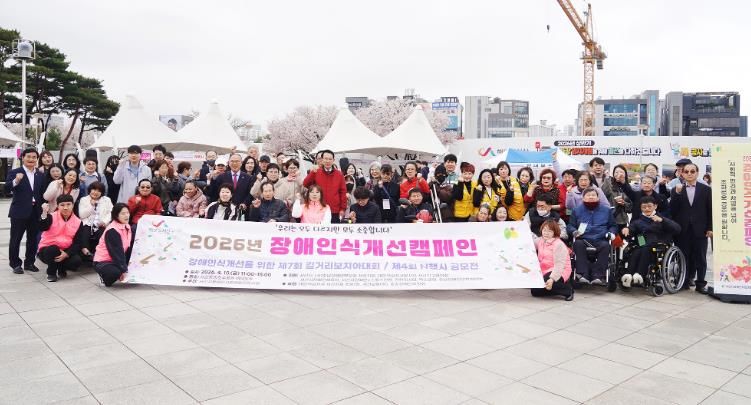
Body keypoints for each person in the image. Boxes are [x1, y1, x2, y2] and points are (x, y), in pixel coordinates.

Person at [621, 196, 681, 288]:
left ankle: (640, 274)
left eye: (649, 206)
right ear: (640, 208)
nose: (647, 209)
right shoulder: (638, 221)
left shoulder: (662, 218)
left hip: (659, 244)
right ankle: (629, 275)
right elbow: (631, 230)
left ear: (655, 206)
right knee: (636, 250)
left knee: (645, 249)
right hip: (642, 243)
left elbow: (677, 229)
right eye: (644, 207)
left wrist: (662, 220)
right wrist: (626, 229)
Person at [670, 163, 712, 294]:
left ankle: (700, 284)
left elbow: (710, 210)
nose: (689, 174)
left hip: (700, 229)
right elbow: (672, 210)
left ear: (697, 173)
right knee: (683, 257)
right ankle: (684, 281)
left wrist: (710, 228)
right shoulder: (676, 189)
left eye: (692, 171)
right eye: (686, 171)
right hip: (682, 230)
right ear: (682, 174)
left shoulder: (706, 190)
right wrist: (677, 194)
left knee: (701, 258)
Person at [6, 147, 46, 274]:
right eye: (28, 156)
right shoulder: (15, 172)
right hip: (19, 211)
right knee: (16, 239)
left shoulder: (40, 174)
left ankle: (29, 263)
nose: (31, 159)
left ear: (37, 159)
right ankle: (15, 264)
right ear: (23, 158)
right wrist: (16, 180)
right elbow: (6, 189)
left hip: (35, 211)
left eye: (34, 157)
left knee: (33, 239)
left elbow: (42, 193)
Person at [567, 188, 617, 285]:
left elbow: (613, 226)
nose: (591, 197)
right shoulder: (576, 210)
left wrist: (611, 233)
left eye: (593, 195)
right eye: (588, 195)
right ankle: (583, 274)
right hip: (583, 238)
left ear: (598, 198)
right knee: (577, 244)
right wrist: (574, 231)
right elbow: (570, 225)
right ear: (583, 198)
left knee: (606, 246)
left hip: (601, 238)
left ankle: (598, 276)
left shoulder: (606, 210)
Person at [37, 195, 84, 282]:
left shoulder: (78, 222)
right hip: (47, 249)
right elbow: (42, 227)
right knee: (52, 250)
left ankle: (61, 268)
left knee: (76, 260)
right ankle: (51, 273)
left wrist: (67, 253)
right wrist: (44, 213)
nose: (65, 208)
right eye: (62, 205)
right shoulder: (51, 216)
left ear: (73, 205)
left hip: (65, 250)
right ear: (58, 206)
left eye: (68, 204)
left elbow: (78, 242)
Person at [531, 220, 574, 301]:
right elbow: (529, 244)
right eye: (544, 230)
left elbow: (559, 265)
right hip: (544, 270)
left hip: (560, 270)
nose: (546, 233)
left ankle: (568, 290)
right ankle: (552, 287)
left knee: (546, 283)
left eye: (549, 231)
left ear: (554, 232)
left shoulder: (559, 244)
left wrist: (552, 279)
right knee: (534, 292)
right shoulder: (540, 240)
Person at [303, 149, 347, 223]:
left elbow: (343, 192)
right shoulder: (316, 172)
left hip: (334, 209)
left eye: (330, 159)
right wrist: (312, 172)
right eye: (326, 159)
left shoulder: (339, 174)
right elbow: (305, 184)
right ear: (322, 160)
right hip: (319, 209)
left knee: (334, 229)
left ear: (333, 160)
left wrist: (342, 208)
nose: (328, 161)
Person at [93, 203, 132, 287]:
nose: (126, 215)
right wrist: (124, 270)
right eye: (123, 213)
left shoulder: (127, 226)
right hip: (103, 261)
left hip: (115, 259)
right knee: (115, 273)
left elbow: (127, 248)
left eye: (127, 212)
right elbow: (116, 252)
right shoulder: (112, 230)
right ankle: (102, 276)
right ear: (116, 215)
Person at [78, 181, 113, 259]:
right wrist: (91, 205)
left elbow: (111, 212)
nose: (95, 192)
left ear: (102, 192)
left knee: (102, 233)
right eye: (94, 189)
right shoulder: (84, 199)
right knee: (85, 230)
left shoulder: (107, 200)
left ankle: (101, 254)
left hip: (101, 223)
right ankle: (86, 253)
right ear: (90, 190)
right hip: (87, 222)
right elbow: (82, 215)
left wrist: (105, 221)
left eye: (99, 191)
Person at [607, 165, 635, 230]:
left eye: (621, 172)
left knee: (621, 236)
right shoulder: (609, 185)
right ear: (613, 174)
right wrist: (607, 178)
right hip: (610, 218)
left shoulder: (629, 188)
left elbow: (632, 206)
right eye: (616, 172)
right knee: (611, 235)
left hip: (622, 220)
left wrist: (624, 203)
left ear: (625, 174)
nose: (619, 174)